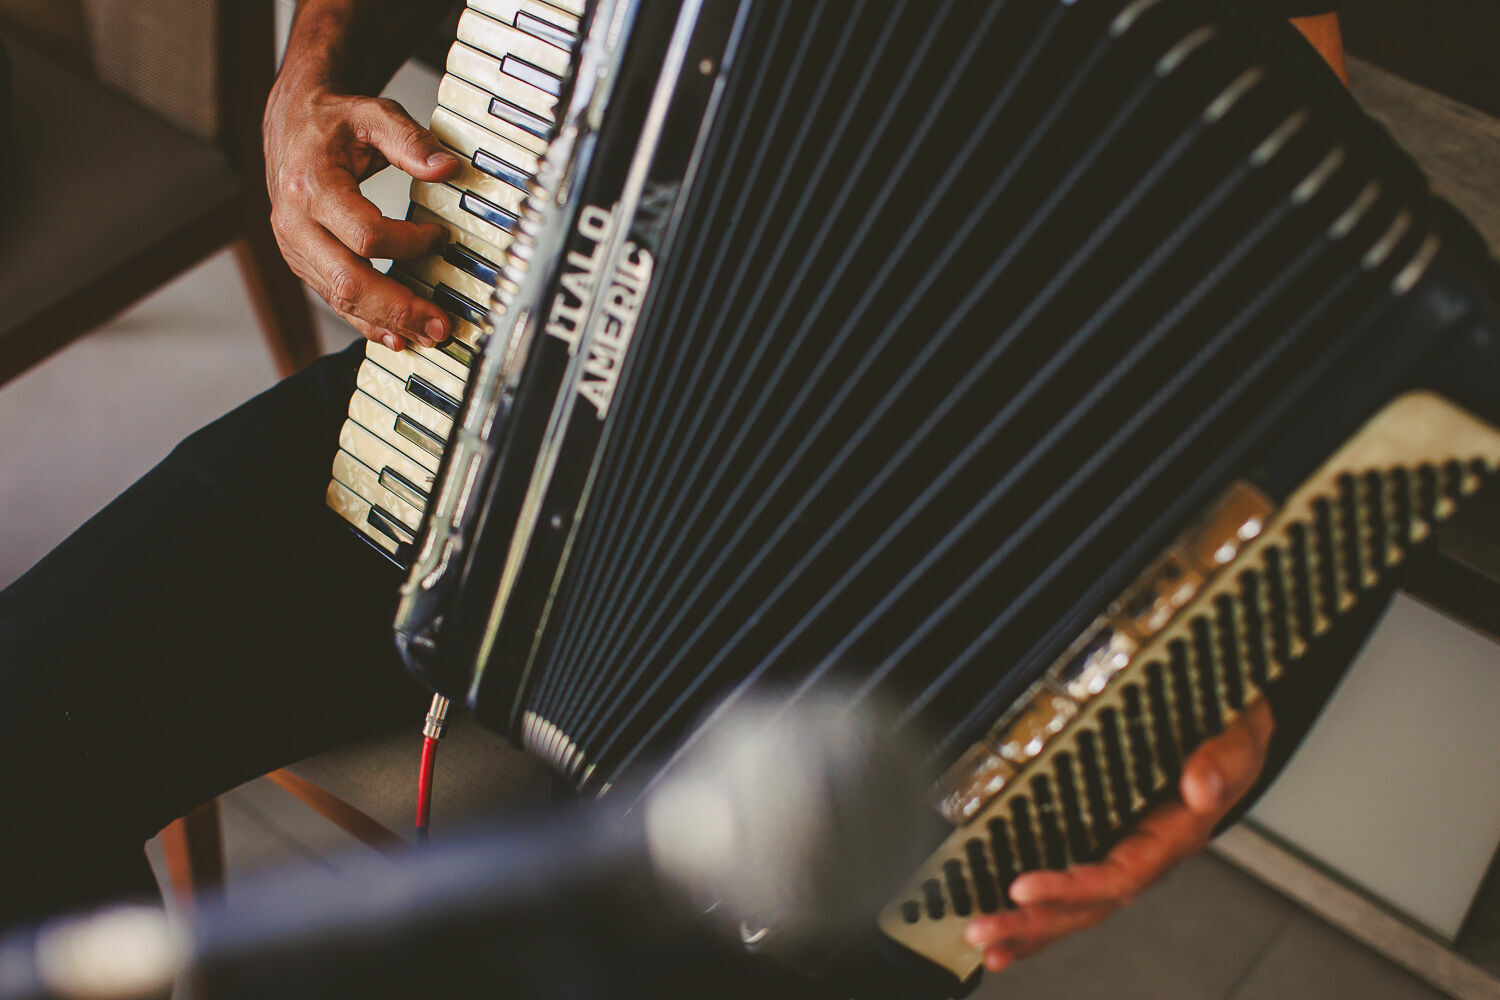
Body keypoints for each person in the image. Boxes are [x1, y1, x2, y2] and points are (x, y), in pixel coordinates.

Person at [0, 0, 1351, 988]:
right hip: (497, 406)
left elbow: (1312, 252)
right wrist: (311, 78)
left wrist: (1238, 660)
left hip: (918, 556)